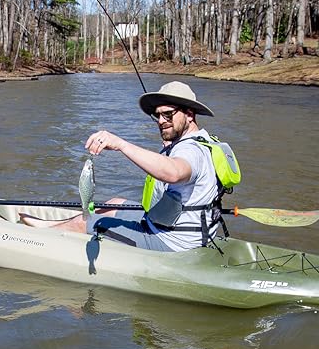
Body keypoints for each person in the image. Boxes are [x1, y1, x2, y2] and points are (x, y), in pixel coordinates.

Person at [21, 81, 231, 252]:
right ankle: (50, 226)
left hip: (171, 242)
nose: (161, 121)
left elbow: (174, 172)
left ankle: (35, 239)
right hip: (177, 227)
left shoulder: (191, 151)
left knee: (84, 224)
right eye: (157, 115)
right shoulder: (202, 141)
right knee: (115, 203)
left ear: (189, 114)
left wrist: (121, 144)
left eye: (168, 114)